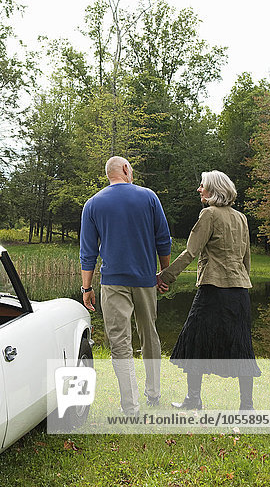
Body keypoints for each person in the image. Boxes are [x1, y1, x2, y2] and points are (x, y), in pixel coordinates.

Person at [157, 170, 261, 411]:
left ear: (214, 191)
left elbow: (190, 252)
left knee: (195, 340)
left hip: (213, 290)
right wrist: (243, 282)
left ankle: (194, 400)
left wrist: (165, 276)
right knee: (241, 345)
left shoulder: (209, 214)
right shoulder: (241, 218)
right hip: (239, 292)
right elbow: (246, 259)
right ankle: (247, 406)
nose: (199, 189)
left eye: (202, 186)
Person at [79, 156, 171, 415]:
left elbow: (88, 253)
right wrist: (162, 273)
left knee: (120, 342)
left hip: (113, 283)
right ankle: (153, 393)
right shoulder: (149, 197)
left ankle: (130, 406)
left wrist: (87, 289)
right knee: (149, 334)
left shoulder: (93, 204)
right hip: (145, 281)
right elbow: (163, 240)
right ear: (126, 170)